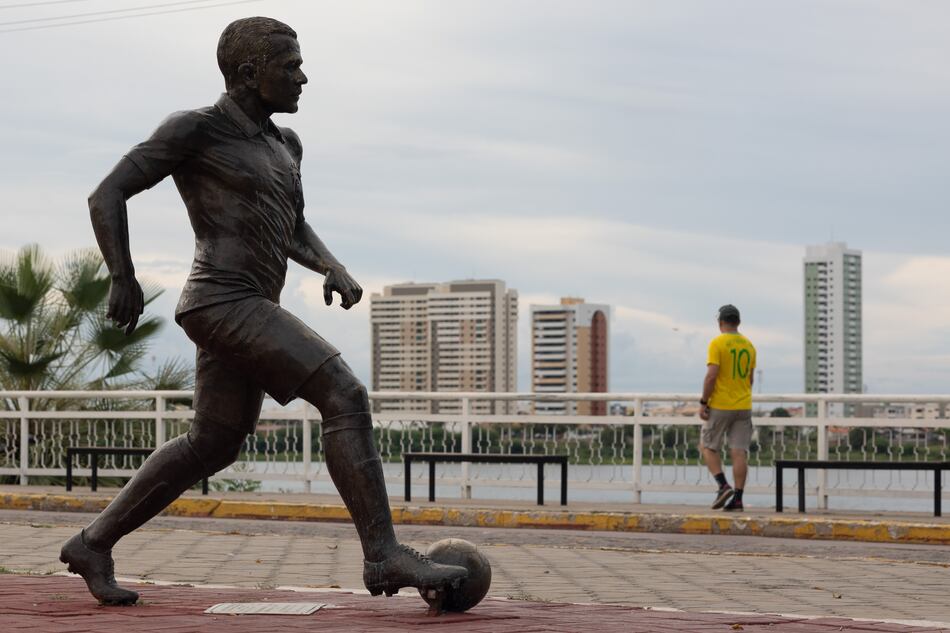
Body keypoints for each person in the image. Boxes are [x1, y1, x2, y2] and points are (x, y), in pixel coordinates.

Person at [59, 16, 467, 605]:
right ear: (250, 75)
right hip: (221, 300)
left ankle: (92, 543)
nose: (304, 77)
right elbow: (108, 193)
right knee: (344, 394)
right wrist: (121, 276)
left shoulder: (285, 145)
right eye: (290, 66)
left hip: (249, 304)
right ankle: (382, 556)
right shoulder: (195, 129)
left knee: (214, 442)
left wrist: (330, 264)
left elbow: (290, 223)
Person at [698, 304, 756, 512]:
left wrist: (704, 402)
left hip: (721, 405)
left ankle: (723, 485)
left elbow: (712, 375)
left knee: (707, 446)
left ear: (720, 322)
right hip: (744, 405)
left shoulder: (717, 343)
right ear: (738, 322)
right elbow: (749, 379)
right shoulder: (749, 345)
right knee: (739, 452)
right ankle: (738, 499)